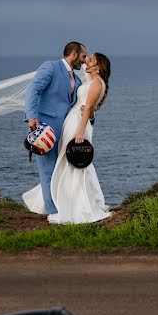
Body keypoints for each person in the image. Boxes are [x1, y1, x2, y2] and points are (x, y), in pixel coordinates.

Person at [21, 41, 87, 218]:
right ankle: (54, 213)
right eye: (83, 56)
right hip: (44, 129)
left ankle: (60, 207)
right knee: (47, 170)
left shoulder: (78, 79)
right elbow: (33, 90)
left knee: (60, 171)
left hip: (65, 132)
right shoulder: (50, 67)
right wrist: (31, 117)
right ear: (73, 54)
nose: (84, 60)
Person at [44, 53, 112, 225]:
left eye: (90, 60)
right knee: (69, 162)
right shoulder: (93, 80)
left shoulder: (97, 83)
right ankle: (69, 202)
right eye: (86, 58)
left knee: (75, 163)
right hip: (74, 120)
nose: (86, 61)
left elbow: (88, 108)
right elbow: (81, 70)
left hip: (78, 125)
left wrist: (80, 132)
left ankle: (79, 207)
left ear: (98, 66)